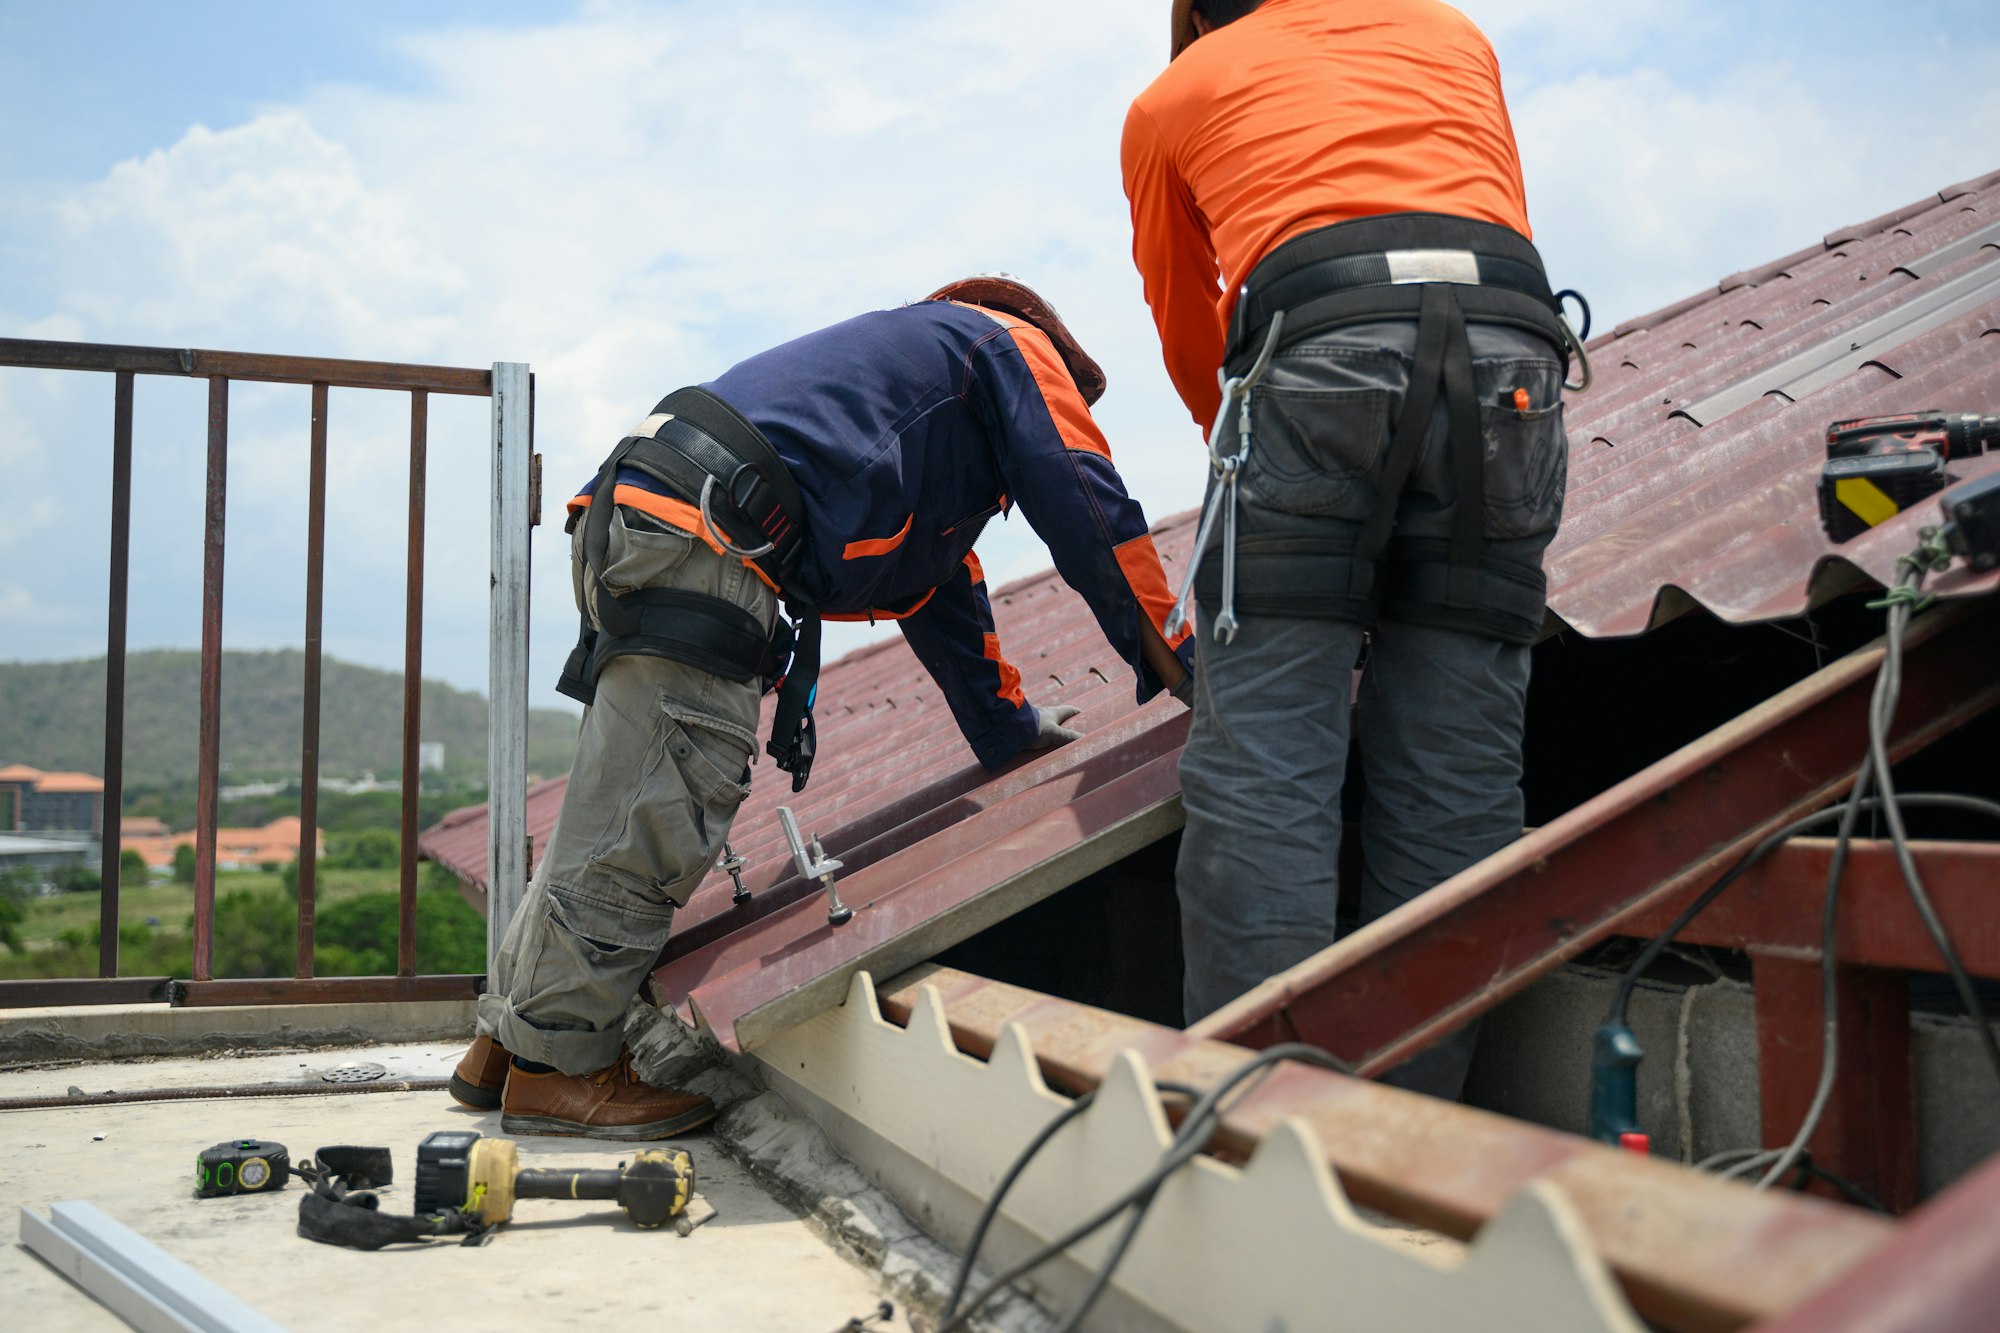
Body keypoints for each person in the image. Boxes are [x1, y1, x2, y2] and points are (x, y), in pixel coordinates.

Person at [450, 277, 1195, 1137]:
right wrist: (1180, 661)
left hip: (648, 506)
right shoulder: (1007, 348)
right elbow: (1087, 499)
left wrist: (1008, 731)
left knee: (612, 798)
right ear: (1054, 354)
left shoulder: (917, 387)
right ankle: (557, 1070)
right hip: (707, 528)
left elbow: (939, 589)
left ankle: (506, 1043)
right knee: (653, 815)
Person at [1123, 0, 1573, 1097]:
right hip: (1510, 358)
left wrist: (1261, 480)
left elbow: (1190, 322)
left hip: (1316, 349)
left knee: (1267, 756)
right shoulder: (1452, 34)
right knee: (1456, 761)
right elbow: (1494, 219)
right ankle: (1408, 1124)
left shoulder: (1173, 95)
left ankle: (1258, 1119)